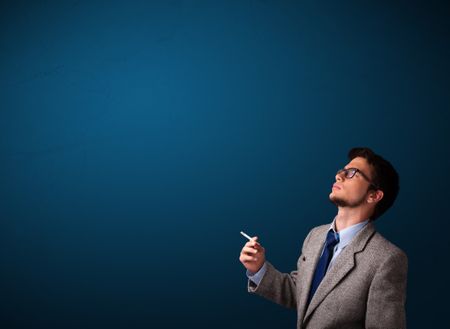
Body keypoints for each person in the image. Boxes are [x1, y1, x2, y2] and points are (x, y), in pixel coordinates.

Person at [239, 147, 408, 329]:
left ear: (374, 195)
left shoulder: (387, 259)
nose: (339, 176)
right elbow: (302, 295)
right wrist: (259, 269)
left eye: (352, 173)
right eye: (341, 171)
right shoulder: (315, 236)